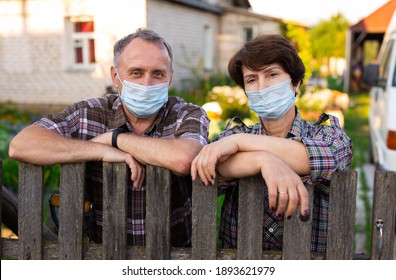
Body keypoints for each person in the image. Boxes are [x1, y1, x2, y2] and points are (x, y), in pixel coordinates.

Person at [9, 28, 210, 247]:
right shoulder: (89, 113)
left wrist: (116, 140)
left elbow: (185, 159)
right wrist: (99, 150)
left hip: (174, 259)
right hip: (103, 256)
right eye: (136, 72)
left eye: (158, 74)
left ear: (169, 78)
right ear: (116, 76)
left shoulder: (186, 114)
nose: (146, 84)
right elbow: (21, 144)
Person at [191, 34, 352, 252]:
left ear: (295, 83)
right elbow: (213, 167)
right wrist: (262, 160)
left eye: (272, 74)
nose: (262, 87)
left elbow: (326, 156)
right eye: (251, 79)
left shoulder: (326, 134)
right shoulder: (232, 136)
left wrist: (240, 142)